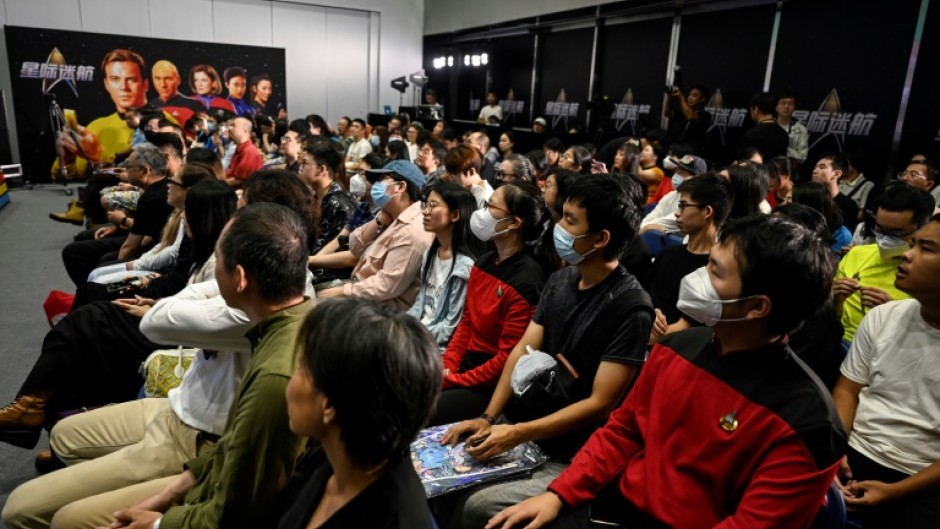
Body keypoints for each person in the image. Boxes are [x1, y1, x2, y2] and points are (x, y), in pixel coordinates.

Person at [489, 214, 845, 529]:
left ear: (756, 306)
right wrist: (559, 495)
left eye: (715, 271)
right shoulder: (679, 348)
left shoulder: (808, 421)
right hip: (614, 509)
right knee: (486, 514)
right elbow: (623, 432)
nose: (698, 277)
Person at [438, 174, 652, 529]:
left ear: (600, 239)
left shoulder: (631, 308)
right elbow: (523, 348)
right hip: (527, 418)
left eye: (570, 220)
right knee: (445, 475)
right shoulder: (561, 280)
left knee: (477, 505)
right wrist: (490, 418)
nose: (558, 226)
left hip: (569, 448)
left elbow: (600, 404)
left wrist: (518, 432)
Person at [0, 181, 235, 453]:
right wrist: (154, 301)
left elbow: (204, 316)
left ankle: (34, 409)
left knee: (89, 321)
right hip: (168, 322)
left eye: (188, 210)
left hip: (181, 343)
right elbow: (183, 291)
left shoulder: (220, 262)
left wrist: (153, 306)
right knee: (84, 326)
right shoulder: (200, 247)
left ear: (204, 215)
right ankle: (43, 416)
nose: (182, 216)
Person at [273, 298, 439, 529]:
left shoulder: (394, 517)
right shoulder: (334, 454)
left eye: (302, 368)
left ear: (329, 405)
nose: (290, 381)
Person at [831, 215, 940, 529]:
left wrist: (894, 492)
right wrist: (835, 449)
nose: (906, 254)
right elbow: (847, 390)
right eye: (913, 244)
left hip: (919, 474)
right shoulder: (885, 315)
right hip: (854, 450)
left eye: (926, 249)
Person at [431, 182, 551, 426]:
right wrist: (448, 366)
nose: (481, 212)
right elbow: (467, 323)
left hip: (489, 385)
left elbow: (506, 360)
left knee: (417, 408)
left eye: (489, 206)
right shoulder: (485, 260)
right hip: (465, 367)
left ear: (515, 223)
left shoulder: (528, 281)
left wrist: (453, 380)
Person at [317, 160, 433, 309]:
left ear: (400, 187)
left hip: (381, 309)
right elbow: (355, 247)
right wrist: (377, 222)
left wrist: (342, 291)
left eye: (382, 180)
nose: (375, 186)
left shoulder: (413, 230)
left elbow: (386, 286)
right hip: (361, 290)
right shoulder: (389, 214)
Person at [833, 183, 934, 346]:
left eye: (896, 233)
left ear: (924, 228)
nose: (884, 239)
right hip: (836, 338)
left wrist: (892, 313)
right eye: (879, 229)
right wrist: (836, 299)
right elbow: (833, 317)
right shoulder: (857, 254)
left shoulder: (928, 277)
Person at [61, 142, 174, 287]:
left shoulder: (151, 198)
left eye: (129, 167)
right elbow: (145, 225)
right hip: (150, 242)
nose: (126, 171)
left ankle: (92, 292)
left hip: (152, 251)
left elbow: (130, 247)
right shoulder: (165, 186)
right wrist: (117, 226)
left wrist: (115, 274)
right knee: (86, 239)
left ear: (145, 171)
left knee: (79, 254)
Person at [644, 173, 733, 342]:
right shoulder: (668, 254)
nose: (677, 213)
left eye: (683, 206)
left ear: (707, 212)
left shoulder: (715, 271)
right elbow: (646, 296)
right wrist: (651, 312)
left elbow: (685, 328)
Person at [406, 183, 485, 349]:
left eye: (433, 206)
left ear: (455, 215)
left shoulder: (465, 266)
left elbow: (451, 326)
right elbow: (421, 302)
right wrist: (403, 324)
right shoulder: (431, 253)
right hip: (419, 334)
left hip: (438, 347)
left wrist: (413, 334)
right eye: (425, 205)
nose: (425, 212)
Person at [53, 49, 151, 179]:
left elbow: (153, 176)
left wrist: (98, 156)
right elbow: (64, 179)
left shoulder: (164, 124)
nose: (123, 87)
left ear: (145, 85)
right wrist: (68, 159)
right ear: (106, 84)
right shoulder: (97, 126)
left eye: (131, 79)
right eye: (115, 79)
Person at [299, 141, 357, 254]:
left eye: (305, 163)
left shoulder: (340, 204)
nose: (300, 168)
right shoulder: (316, 197)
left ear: (322, 170)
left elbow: (338, 250)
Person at [792, 181, 852, 256]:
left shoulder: (841, 235)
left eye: (793, 203)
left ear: (809, 206)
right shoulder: (793, 225)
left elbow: (829, 265)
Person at [148, 60, 204, 130]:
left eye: (168, 78)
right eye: (157, 78)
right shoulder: (148, 107)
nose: (163, 85)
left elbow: (203, 134)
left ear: (178, 80)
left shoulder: (194, 105)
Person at [812, 153, 859, 232]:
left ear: (837, 174)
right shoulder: (808, 198)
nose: (814, 171)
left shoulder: (848, 205)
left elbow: (844, 237)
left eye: (822, 167)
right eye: (815, 167)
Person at [738, 91, 789, 161]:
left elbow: (746, 164)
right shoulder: (783, 134)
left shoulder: (752, 135)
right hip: (775, 171)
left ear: (756, 109)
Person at [662, 84, 710, 153]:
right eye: (689, 95)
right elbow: (667, 113)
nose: (690, 98)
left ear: (702, 100)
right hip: (679, 146)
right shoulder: (684, 113)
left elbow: (690, 117)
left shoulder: (705, 114)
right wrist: (669, 98)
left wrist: (681, 97)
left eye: (695, 95)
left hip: (693, 150)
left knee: (672, 149)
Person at [445, 144, 492, 209]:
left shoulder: (484, 198)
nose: (451, 178)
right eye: (450, 174)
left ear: (471, 172)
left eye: (454, 174)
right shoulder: (468, 191)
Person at [224, 117, 263, 185]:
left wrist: (217, 183)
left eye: (233, 126)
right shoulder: (241, 148)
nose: (229, 128)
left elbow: (239, 180)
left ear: (244, 130)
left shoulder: (249, 152)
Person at [775, 90, 809, 165]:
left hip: (789, 168)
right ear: (776, 107)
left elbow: (803, 157)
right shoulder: (769, 126)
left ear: (795, 107)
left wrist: (785, 150)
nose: (786, 107)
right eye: (783, 103)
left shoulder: (801, 129)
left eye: (790, 104)